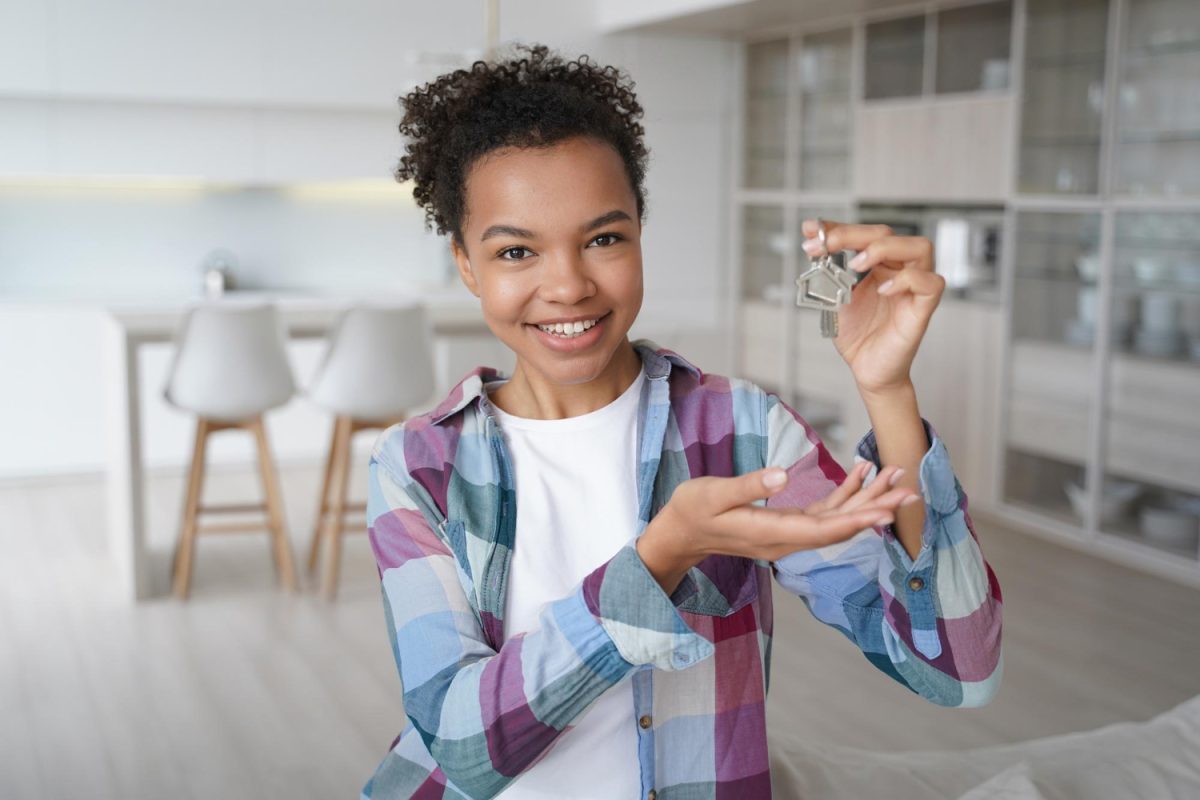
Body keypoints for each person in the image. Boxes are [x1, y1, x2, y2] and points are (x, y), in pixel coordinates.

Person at [362, 44, 1002, 800]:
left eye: (603, 238)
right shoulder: (417, 465)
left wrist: (888, 390)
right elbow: (463, 746)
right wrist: (662, 556)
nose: (567, 285)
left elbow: (955, 670)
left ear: (639, 232)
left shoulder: (743, 433)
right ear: (467, 264)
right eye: (516, 251)